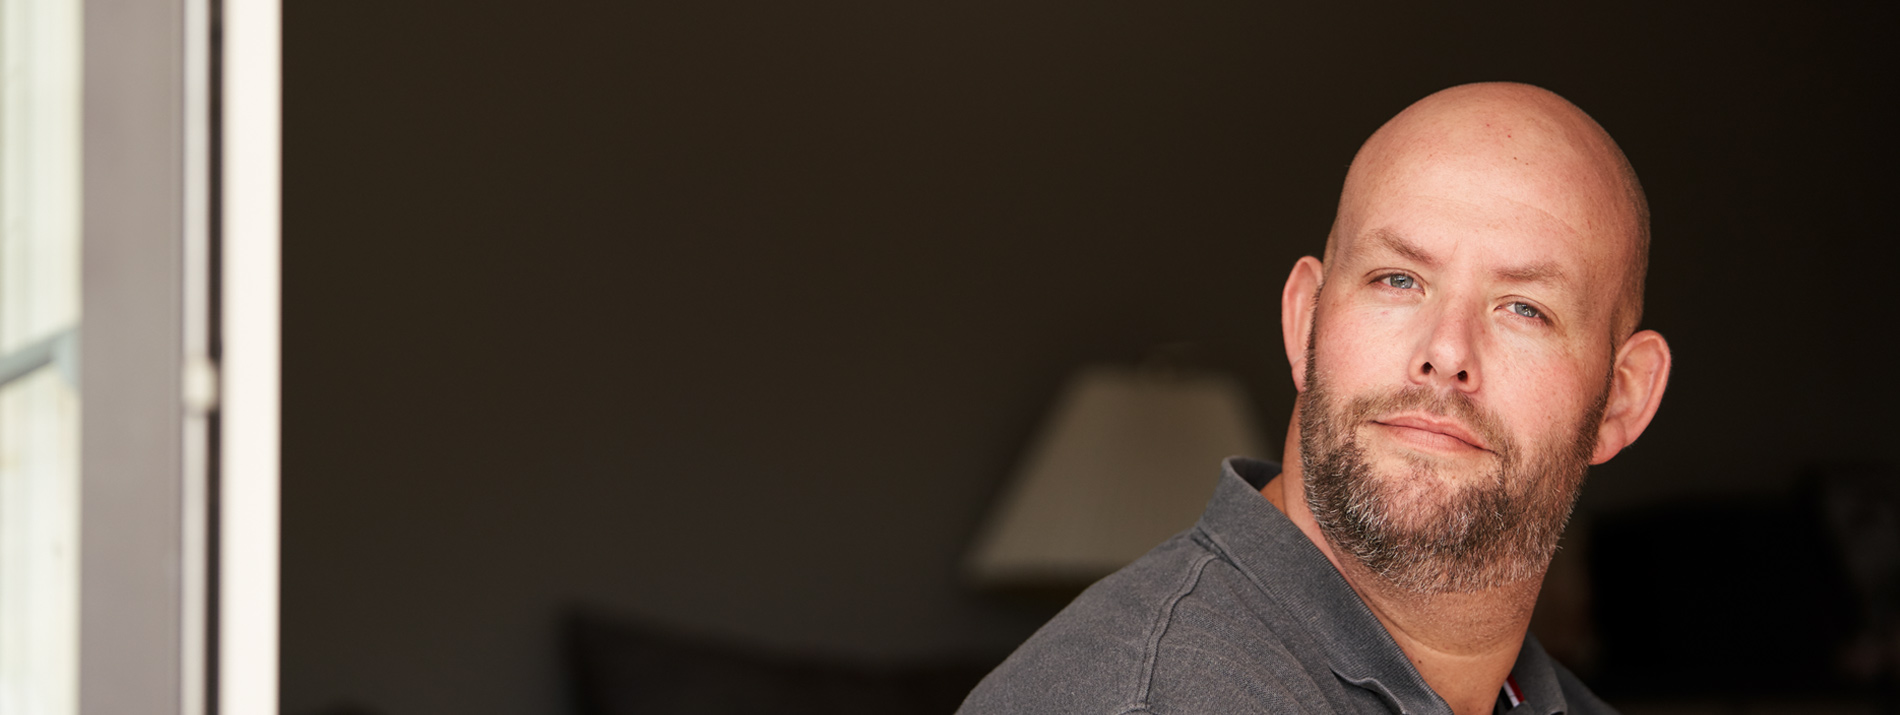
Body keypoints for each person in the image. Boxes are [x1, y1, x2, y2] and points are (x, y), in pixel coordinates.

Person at [958, 82, 1672, 715]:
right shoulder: (1147, 697)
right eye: (1398, 279)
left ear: (1621, 399)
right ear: (1306, 323)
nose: (1447, 352)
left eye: (1523, 307)